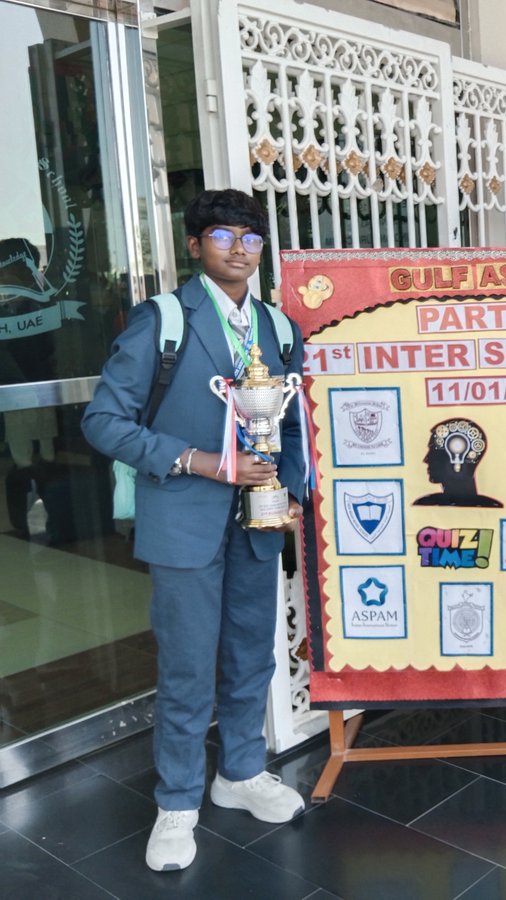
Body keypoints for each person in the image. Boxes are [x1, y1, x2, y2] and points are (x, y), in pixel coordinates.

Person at [82, 190, 306, 871]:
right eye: (222, 235)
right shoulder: (164, 321)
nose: (238, 249)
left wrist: (290, 489)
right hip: (183, 517)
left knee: (251, 652)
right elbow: (103, 422)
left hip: (258, 521)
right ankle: (177, 803)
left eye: (250, 238)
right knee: (186, 667)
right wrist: (194, 460)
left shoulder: (277, 325)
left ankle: (239, 774)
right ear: (194, 245)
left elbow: (292, 421)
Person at [413, 417, 502, 507]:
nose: (426, 460)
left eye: (433, 452)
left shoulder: (427, 504)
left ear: (458, 454)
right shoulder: (426, 503)